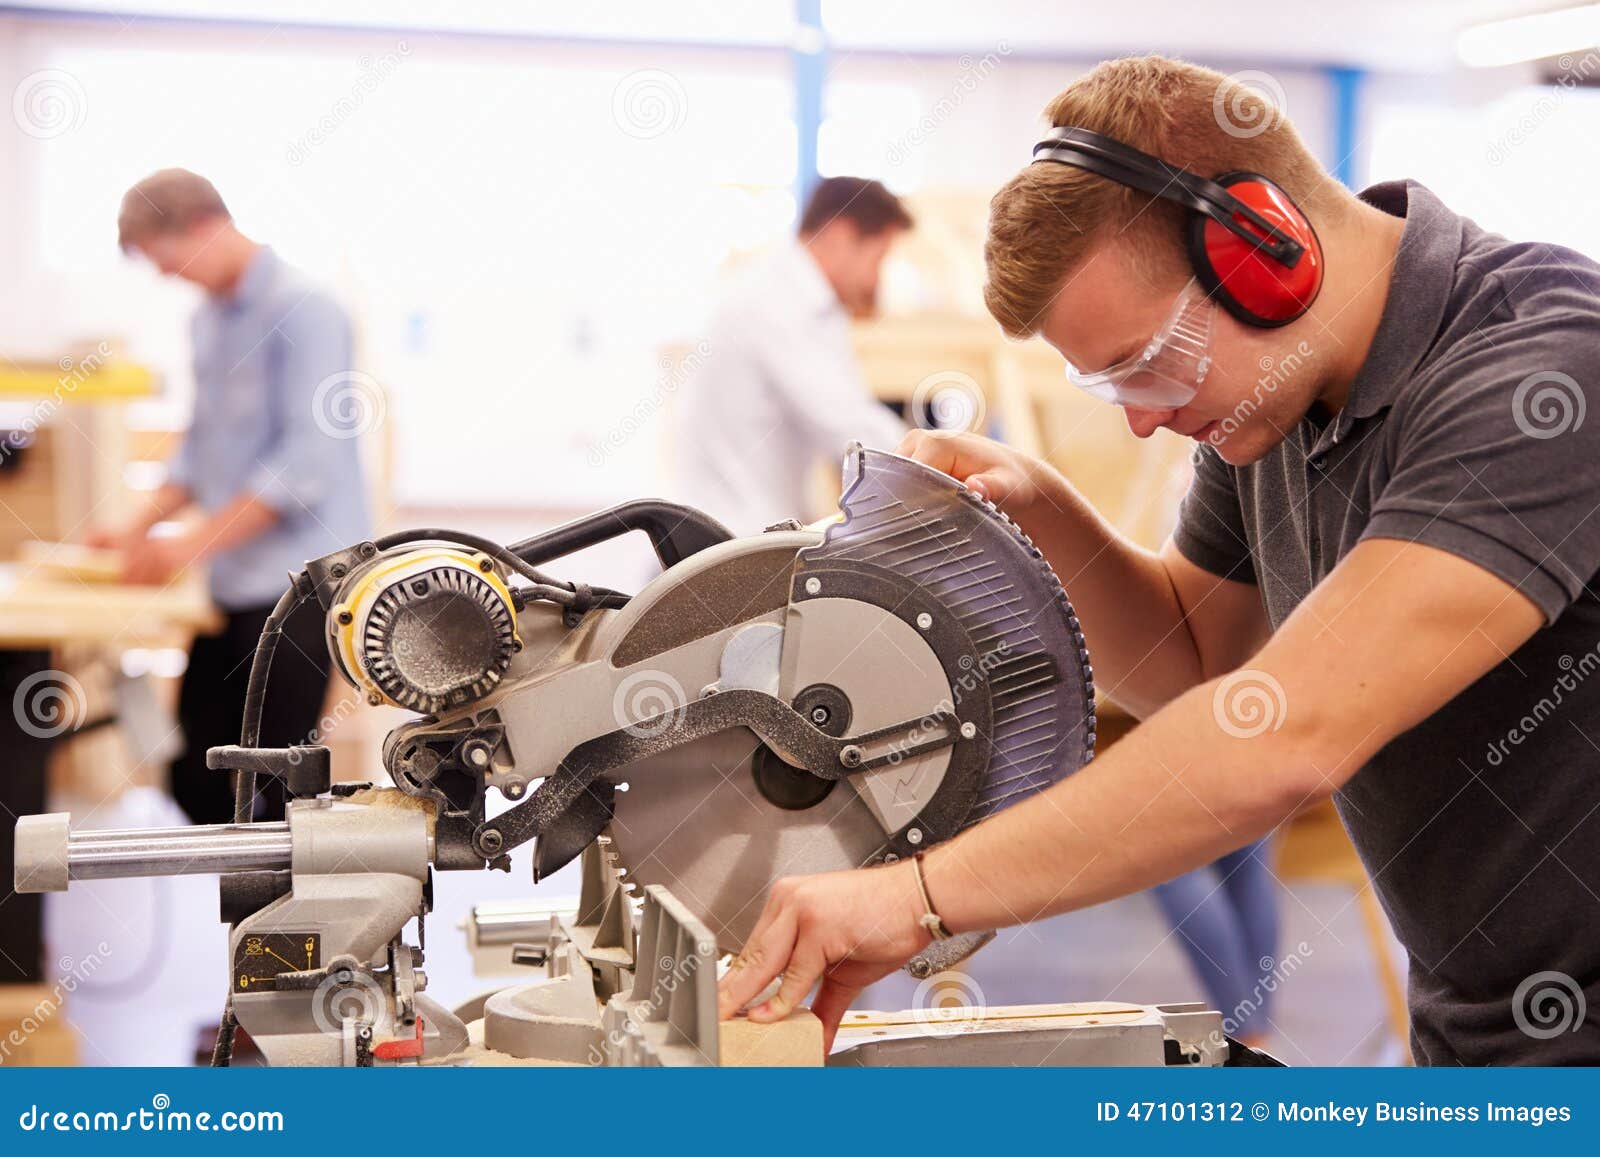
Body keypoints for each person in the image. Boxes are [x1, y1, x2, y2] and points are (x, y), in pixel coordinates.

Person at [717, 56, 1600, 1065]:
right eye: (1108, 388)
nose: (1144, 422)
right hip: (1482, 1024)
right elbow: (1197, 663)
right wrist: (1041, 508)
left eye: (1143, 365)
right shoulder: (1271, 404)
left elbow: (1284, 730)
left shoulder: (1542, 367)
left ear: (1266, 251)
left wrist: (912, 898)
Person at [90, 169, 371, 824]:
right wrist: (137, 527)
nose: (167, 278)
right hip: (234, 584)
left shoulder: (309, 310)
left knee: (270, 790)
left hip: (303, 584)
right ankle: (247, 918)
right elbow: (201, 449)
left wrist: (187, 544)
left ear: (204, 227)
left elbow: (303, 466)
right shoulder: (208, 323)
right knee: (196, 776)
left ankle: (284, 926)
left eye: (167, 262)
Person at [675, 176, 911, 534]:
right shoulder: (776, 304)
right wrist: (942, 468)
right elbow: (849, 428)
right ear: (841, 236)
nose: (876, 282)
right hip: (733, 537)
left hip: (745, 528)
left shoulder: (797, 299)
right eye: (878, 259)